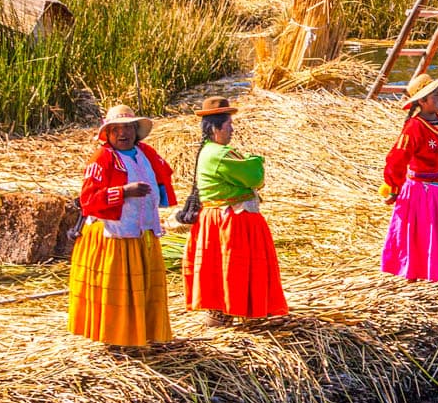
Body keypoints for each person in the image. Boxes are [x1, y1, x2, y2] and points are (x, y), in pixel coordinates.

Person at [70, 105, 176, 347]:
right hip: (115, 235)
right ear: (107, 133)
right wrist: (123, 192)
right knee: (119, 290)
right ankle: (117, 339)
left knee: (142, 288)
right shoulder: (102, 158)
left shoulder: (146, 153)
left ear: (136, 130)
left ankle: (142, 333)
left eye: (127, 127)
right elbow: (88, 200)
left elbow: (163, 179)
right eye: (115, 129)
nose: (122, 134)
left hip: (143, 232)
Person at [181, 97, 288, 325]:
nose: (232, 130)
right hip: (228, 222)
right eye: (229, 125)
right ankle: (222, 311)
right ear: (215, 128)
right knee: (230, 267)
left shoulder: (212, 152)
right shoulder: (219, 154)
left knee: (227, 266)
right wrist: (255, 162)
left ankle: (229, 311)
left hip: (224, 218)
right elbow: (254, 176)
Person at [381, 72, 438, 283]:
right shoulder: (414, 127)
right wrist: (393, 188)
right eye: (435, 96)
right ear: (422, 102)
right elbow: (397, 158)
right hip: (425, 192)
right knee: (427, 234)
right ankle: (421, 272)